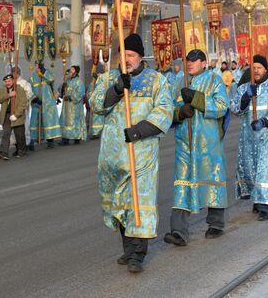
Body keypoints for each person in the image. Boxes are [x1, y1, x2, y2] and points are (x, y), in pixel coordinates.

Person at [89, 33, 173, 273]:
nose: (127, 59)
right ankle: (128, 249)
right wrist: (116, 89)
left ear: (140, 56)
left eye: (131, 55)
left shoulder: (156, 80)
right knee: (120, 205)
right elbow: (95, 105)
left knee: (138, 204)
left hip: (141, 154)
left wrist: (137, 131)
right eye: (124, 54)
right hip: (113, 155)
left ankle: (137, 254)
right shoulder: (108, 78)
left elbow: (165, 111)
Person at [164, 49, 229, 246]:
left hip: (207, 142)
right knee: (182, 183)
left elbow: (221, 107)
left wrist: (196, 99)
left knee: (212, 179)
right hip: (184, 141)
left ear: (203, 62)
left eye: (194, 60)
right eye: (188, 61)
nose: (190, 64)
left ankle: (216, 223)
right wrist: (180, 113)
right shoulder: (179, 82)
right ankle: (178, 231)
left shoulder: (214, 80)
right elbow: (168, 109)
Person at [231, 55, 268, 221]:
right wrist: (245, 98)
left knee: (265, 169)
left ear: (265, 69)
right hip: (248, 136)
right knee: (250, 168)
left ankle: (265, 205)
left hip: (267, 135)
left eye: (259, 68)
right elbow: (234, 109)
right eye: (253, 67)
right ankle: (257, 198)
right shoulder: (244, 88)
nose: (256, 71)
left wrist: (264, 121)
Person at [29, 62, 62, 150]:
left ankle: (50, 141)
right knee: (35, 122)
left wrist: (43, 72)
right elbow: (29, 89)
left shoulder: (47, 73)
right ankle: (32, 142)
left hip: (48, 103)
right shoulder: (32, 77)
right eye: (36, 66)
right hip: (37, 103)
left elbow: (51, 79)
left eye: (38, 66)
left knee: (48, 122)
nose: (37, 67)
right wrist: (34, 98)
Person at [0, 74, 27, 160]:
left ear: (13, 81)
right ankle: (3, 152)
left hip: (17, 115)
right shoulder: (3, 89)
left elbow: (23, 103)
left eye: (9, 81)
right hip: (6, 115)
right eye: (6, 81)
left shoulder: (19, 89)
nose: (7, 83)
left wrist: (16, 115)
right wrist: (8, 95)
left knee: (19, 135)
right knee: (6, 134)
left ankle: (22, 150)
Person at [59, 66, 87, 145]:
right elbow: (61, 90)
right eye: (70, 69)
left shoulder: (79, 82)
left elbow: (81, 93)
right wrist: (62, 88)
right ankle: (65, 138)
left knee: (75, 121)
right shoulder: (66, 81)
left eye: (72, 69)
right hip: (66, 106)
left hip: (75, 106)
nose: (70, 71)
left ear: (76, 72)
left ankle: (76, 137)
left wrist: (71, 96)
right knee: (65, 120)